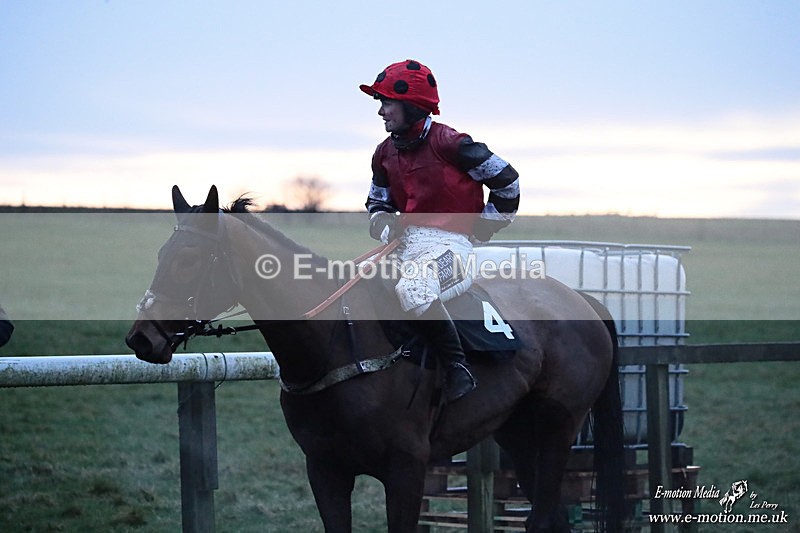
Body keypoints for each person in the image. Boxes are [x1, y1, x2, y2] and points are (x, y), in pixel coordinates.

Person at [360, 59, 520, 402]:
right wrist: (383, 221)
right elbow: (377, 202)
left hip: (454, 248)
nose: (381, 112)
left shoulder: (454, 144)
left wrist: (484, 225)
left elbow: (508, 182)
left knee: (416, 289)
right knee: (356, 284)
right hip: (406, 246)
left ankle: (457, 368)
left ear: (411, 105)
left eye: (386, 102)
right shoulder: (383, 153)